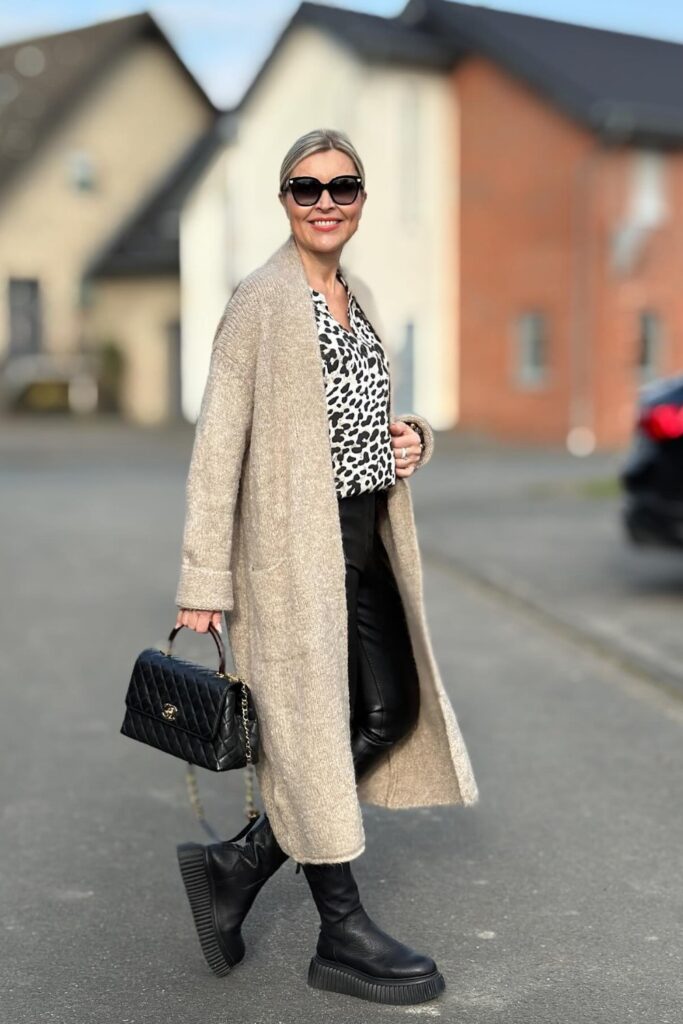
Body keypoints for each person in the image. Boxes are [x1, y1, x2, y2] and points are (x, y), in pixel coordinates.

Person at [173, 128, 479, 1006]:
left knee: (389, 709)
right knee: (311, 730)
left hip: (366, 537)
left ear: (360, 200)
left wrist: (416, 436)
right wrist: (203, 580)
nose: (324, 202)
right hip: (289, 554)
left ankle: (239, 863)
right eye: (305, 189)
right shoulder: (260, 300)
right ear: (283, 200)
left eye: (341, 187)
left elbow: (362, 415)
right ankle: (340, 931)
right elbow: (216, 443)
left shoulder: (362, 294)